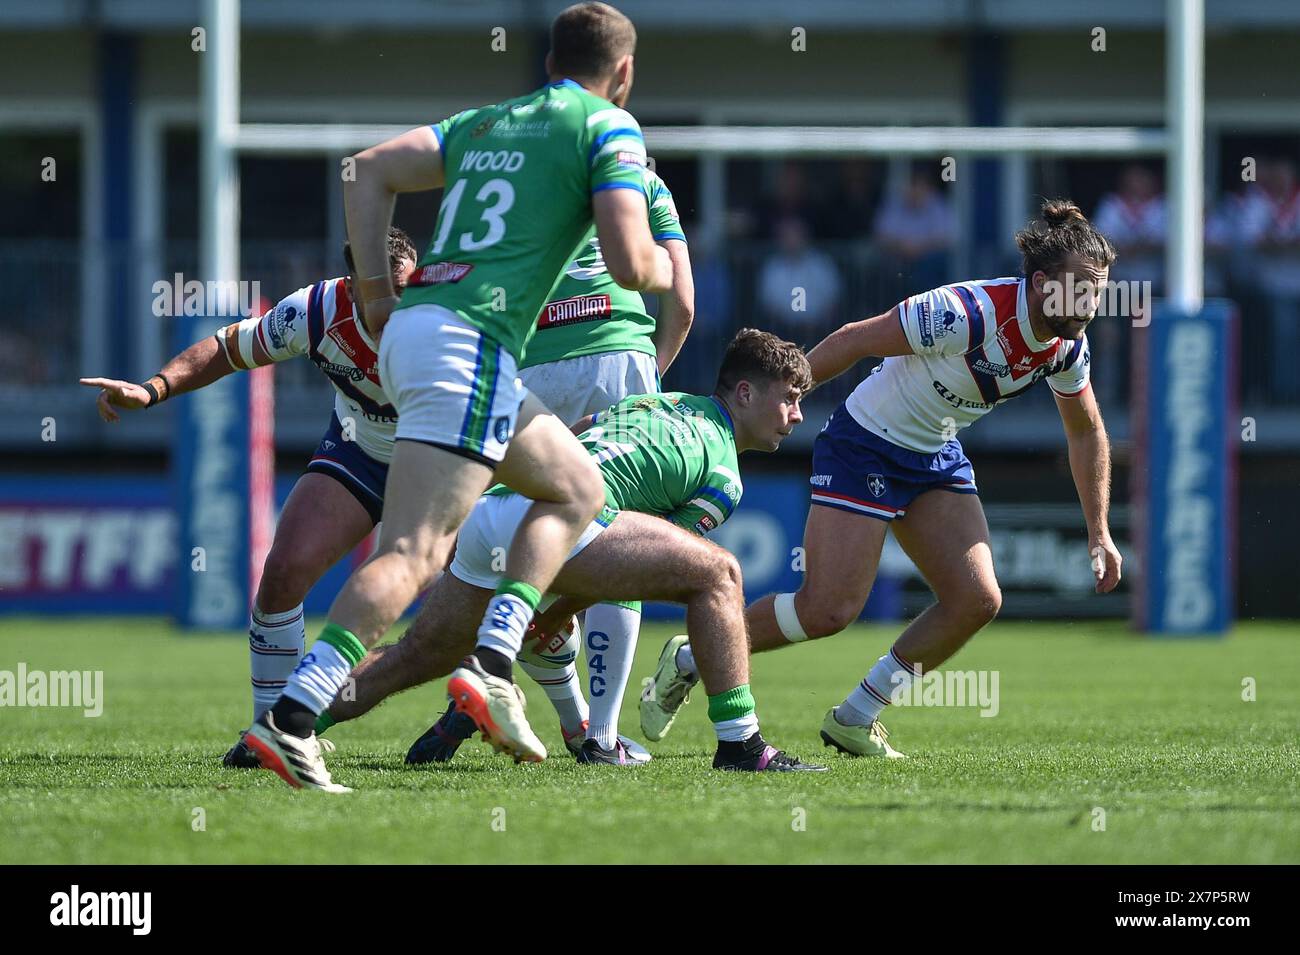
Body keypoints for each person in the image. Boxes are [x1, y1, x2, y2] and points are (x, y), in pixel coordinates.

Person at [244, 3, 677, 792]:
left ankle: (493, 662)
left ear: (549, 64)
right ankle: (294, 716)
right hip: (470, 345)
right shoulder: (610, 128)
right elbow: (625, 258)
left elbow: (366, 168)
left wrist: (376, 294)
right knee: (411, 555)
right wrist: (660, 270)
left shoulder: (489, 121)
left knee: (578, 485)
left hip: (425, 330)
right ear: (624, 74)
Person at [642, 200, 1124, 758]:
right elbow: (854, 339)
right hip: (864, 444)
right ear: (1040, 283)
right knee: (826, 612)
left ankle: (855, 717)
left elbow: (1087, 433)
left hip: (934, 453)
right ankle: (688, 657)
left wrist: (1100, 531)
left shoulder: (1067, 347)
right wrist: (783, 401)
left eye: (1101, 290)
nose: (1093, 303)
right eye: (1082, 288)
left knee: (977, 598)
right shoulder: (964, 312)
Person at [316, 330, 824, 776]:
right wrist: (556, 612)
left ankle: (290, 717)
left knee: (418, 653)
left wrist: (548, 610)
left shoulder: (656, 402)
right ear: (744, 392)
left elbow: (575, 430)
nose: (797, 415)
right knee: (720, 574)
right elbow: (634, 563)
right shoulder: (723, 477)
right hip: (559, 524)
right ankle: (732, 744)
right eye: (789, 400)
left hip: (493, 513)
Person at [79, 229, 417, 768]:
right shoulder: (315, 311)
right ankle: (271, 736)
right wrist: (152, 389)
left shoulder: (449, 317)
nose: (395, 302)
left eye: (404, 287)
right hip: (361, 454)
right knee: (283, 573)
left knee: (472, 603)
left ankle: (580, 725)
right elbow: (225, 349)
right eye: (381, 290)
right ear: (352, 285)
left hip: (445, 464)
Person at [414, 163, 694, 766]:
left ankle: (481, 681)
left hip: (532, 367)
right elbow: (685, 302)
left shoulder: (525, 178)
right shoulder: (644, 181)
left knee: (503, 543)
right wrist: (646, 385)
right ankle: (601, 737)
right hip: (623, 357)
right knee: (618, 551)